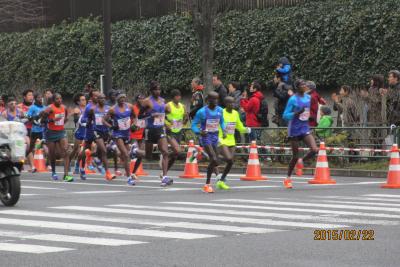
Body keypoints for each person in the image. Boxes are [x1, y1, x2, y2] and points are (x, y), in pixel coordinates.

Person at [130, 81, 173, 187]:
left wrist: (166, 115)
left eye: (159, 89)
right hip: (150, 130)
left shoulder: (163, 101)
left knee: (165, 152)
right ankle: (135, 151)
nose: (158, 91)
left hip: (160, 129)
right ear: (151, 90)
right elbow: (140, 116)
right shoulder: (146, 101)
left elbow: (163, 113)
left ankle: (164, 177)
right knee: (148, 156)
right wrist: (151, 116)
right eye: (155, 89)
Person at [282, 79, 319, 189]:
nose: (305, 86)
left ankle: (301, 161)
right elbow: (285, 115)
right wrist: (297, 112)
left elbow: (310, 110)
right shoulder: (293, 99)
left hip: (304, 127)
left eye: (305, 84)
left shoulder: (308, 97)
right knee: (295, 155)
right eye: (302, 85)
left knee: (314, 149)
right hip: (294, 128)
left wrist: (311, 116)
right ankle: (287, 178)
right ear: (297, 87)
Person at [191, 92, 226, 193]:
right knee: (214, 159)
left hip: (215, 136)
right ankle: (207, 184)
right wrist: (199, 131)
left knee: (214, 160)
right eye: (213, 99)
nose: (216, 101)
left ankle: (200, 153)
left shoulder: (220, 110)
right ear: (208, 100)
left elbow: (222, 121)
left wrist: (224, 130)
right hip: (206, 137)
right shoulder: (201, 112)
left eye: (217, 99)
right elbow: (193, 125)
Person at [216, 96, 250, 190]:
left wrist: (246, 130)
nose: (232, 104)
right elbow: (215, 124)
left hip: (231, 140)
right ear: (226, 104)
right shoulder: (221, 112)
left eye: (233, 103)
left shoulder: (235, 113)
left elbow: (239, 126)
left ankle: (221, 180)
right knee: (228, 158)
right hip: (222, 139)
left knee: (230, 161)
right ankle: (212, 156)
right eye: (230, 103)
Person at [104, 93, 136, 185]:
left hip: (126, 133)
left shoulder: (129, 106)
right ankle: (129, 178)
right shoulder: (112, 109)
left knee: (127, 155)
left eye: (123, 97)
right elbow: (104, 120)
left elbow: (134, 116)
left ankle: (127, 171)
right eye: (120, 98)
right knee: (125, 154)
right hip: (117, 134)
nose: (122, 99)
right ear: (117, 99)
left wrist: (134, 124)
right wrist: (112, 126)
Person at [41, 93, 73, 182]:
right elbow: (42, 121)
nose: (59, 100)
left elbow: (64, 119)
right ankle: (54, 172)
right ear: (53, 100)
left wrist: (69, 116)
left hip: (61, 132)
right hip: (50, 133)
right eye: (57, 99)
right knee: (52, 154)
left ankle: (66, 175)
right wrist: (52, 120)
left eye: (60, 98)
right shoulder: (49, 108)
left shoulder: (64, 108)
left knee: (66, 151)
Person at [90, 93, 115, 180]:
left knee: (101, 152)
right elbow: (89, 120)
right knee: (104, 151)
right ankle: (108, 173)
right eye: (101, 98)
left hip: (106, 132)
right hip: (97, 132)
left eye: (104, 98)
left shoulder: (109, 108)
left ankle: (92, 156)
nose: (103, 100)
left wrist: (112, 128)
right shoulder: (93, 109)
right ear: (97, 100)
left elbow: (113, 119)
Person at [165, 89, 188, 174]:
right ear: (173, 97)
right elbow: (160, 116)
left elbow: (185, 118)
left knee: (175, 155)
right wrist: (165, 124)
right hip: (169, 131)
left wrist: (185, 119)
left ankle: (164, 171)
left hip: (178, 131)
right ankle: (165, 155)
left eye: (180, 96)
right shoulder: (168, 106)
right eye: (177, 96)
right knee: (177, 151)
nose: (179, 98)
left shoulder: (183, 106)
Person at [27, 93, 47, 172]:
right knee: (30, 148)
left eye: (41, 97)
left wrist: (44, 122)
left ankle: (47, 165)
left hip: (43, 131)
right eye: (38, 97)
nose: (40, 99)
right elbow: (28, 116)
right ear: (35, 99)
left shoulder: (45, 107)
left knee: (46, 146)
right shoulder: (33, 107)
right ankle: (21, 162)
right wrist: (34, 121)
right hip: (35, 131)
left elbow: (47, 118)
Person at [69, 93, 87, 174]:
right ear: (78, 102)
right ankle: (68, 162)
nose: (84, 101)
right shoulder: (77, 109)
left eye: (85, 99)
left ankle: (77, 165)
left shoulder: (88, 108)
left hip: (87, 132)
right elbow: (73, 117)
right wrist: (76, 115)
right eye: (82, 100)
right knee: (76, 150)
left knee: (84, 152)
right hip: (79, 132)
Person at [18, 89, 35, 171]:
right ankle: (32, 166)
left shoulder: (35, 106)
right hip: (23, 129)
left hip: (34, 129)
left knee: (30, 147)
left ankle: (21, 164)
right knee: (27, 146)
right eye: (29, 95)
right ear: (24, 97)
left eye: (32, 95)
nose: (31, 97)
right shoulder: (19, 106)